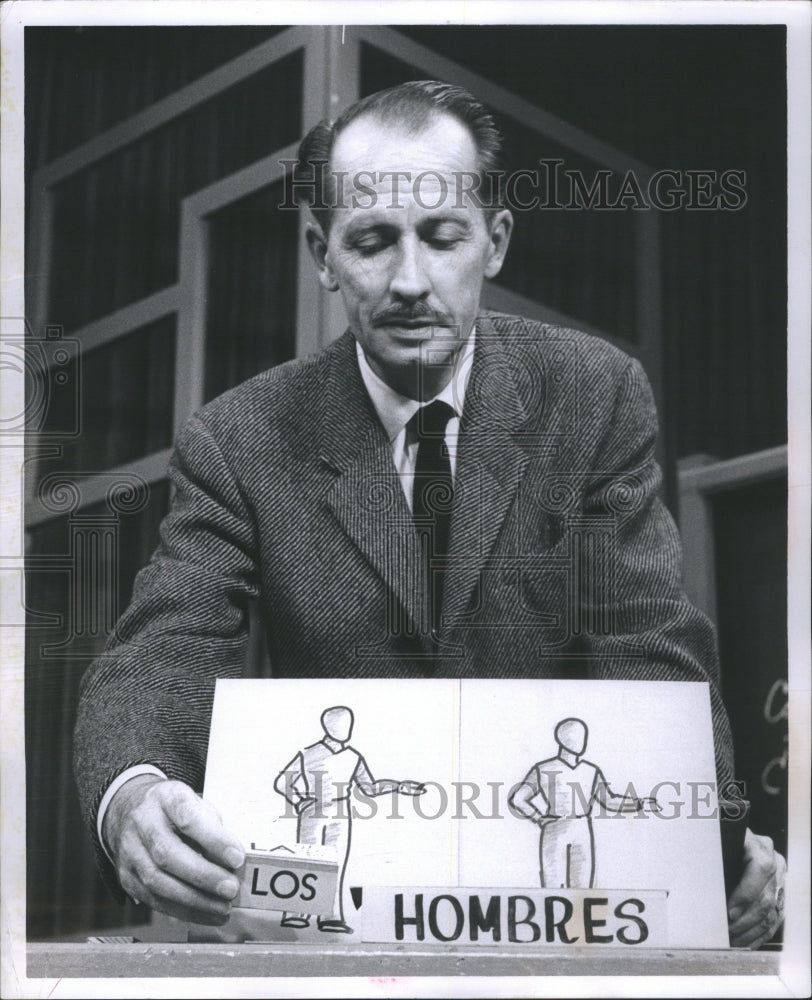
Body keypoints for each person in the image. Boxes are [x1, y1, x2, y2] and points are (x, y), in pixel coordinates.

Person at [74, 80, 785, 948]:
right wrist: (135, 794)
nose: (410, 281)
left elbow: (649, 644)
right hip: (344, 919)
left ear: (495, 241)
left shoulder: (594, 395)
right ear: (321, 252)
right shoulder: (239, 438)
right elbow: (166, 645)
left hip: (552, 919)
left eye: (442, 236)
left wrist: (704, 841)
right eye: (371, 242)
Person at [273, 705, 425, 933]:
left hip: (341, 812)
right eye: (342, 723)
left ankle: (330, 916)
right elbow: (283, 782)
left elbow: (370, 788)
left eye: (348, 723)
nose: (346, 728)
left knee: (336, 864)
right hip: (313, 810)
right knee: (307, 860)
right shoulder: (308, 754)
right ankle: (296, 913)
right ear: (327, 725)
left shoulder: (353, 757)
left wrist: (400, 786)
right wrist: (298, 801)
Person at [509, 717, 661, 889]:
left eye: (583, 736)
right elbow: (517, 799)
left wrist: (640, 803)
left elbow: (609, 801)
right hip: (555, 829)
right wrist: (538, 818)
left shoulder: (591, 770)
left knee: (583, 891)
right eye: (575, 735)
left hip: (581, 829)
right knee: (553, 889)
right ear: (562, 738)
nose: (581, 741)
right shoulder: (544, 768)